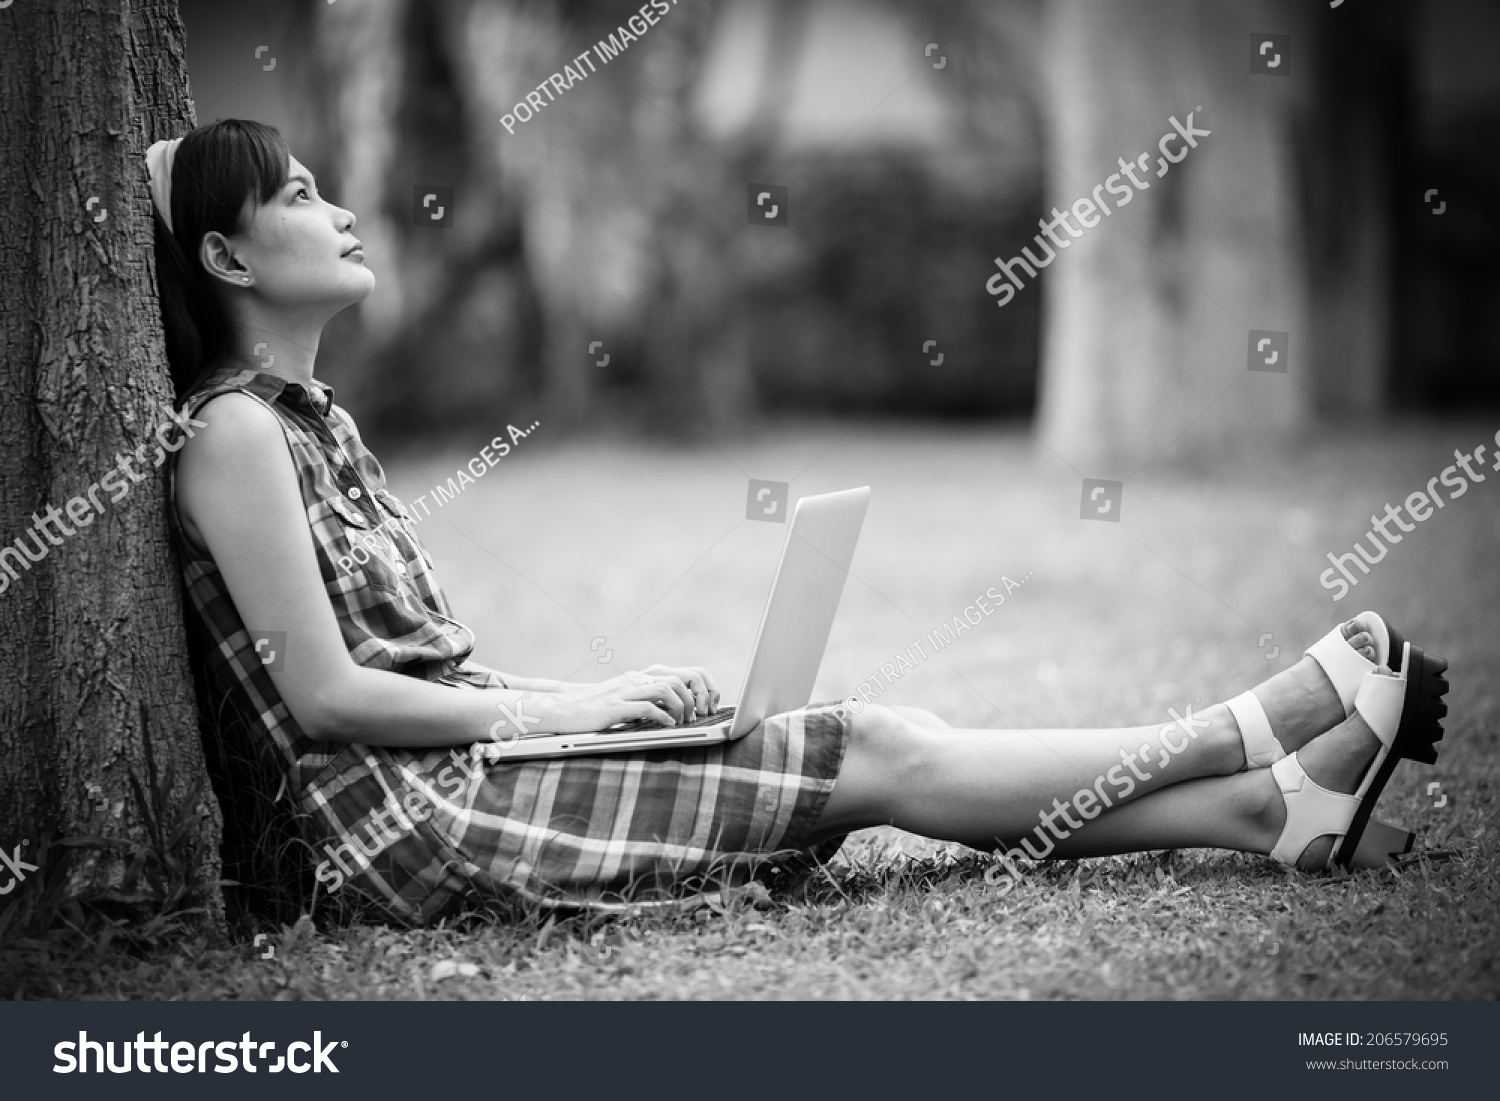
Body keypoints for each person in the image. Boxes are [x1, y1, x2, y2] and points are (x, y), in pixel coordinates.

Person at [150, 120, 1450, 925]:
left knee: (873, 747)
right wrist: (569, 710)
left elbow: (426, 673)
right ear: (225, 259)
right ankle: (1246, 729)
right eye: (303, 192)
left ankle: (1271, 815)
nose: (339, 209)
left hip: (457, 773)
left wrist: (598, 695)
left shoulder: (311, 418)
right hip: (398, 823)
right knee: (867, 748)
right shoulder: (233, 432)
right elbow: (325, 697)